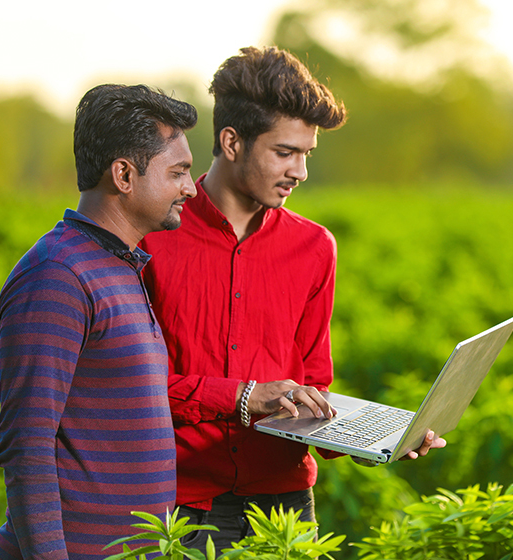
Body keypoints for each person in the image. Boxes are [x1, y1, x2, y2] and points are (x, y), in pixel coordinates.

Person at [140, 46, 446, 554]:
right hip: (178, 502)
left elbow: (311, 382)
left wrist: (368, 440)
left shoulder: (314, 248)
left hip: (285, 504)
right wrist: (241, 397)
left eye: (307, 154)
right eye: (285, 152)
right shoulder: (152, 239)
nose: (300, 172)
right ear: (231, 141)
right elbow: (129, 387)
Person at [0, 84, 197, 560]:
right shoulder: (58, 276)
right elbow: (28, 445)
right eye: (178, 172)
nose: (190, 187)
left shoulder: (118, 264)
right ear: (124, 175)